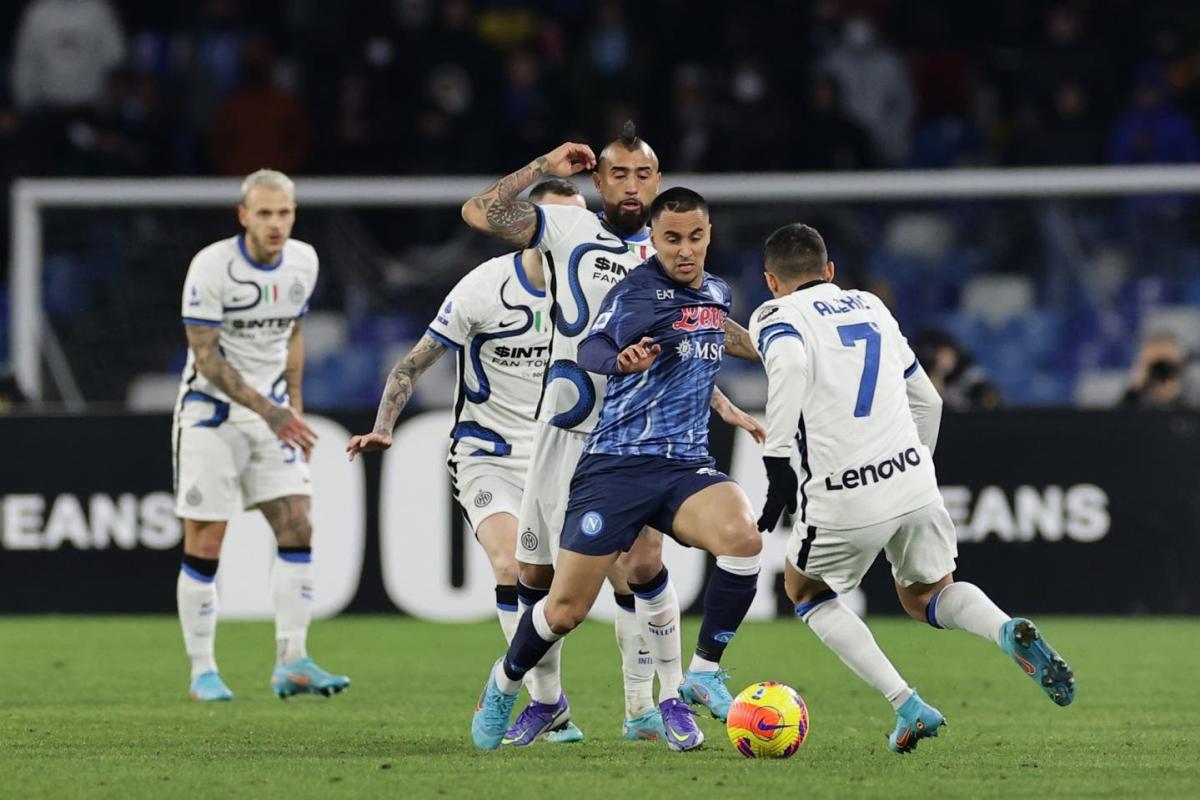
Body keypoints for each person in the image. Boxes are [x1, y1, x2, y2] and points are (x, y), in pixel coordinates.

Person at [460, 126, 764, 745]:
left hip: (643, 439)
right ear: (597, 181)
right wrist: (545, 164)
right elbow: (478, 211)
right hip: (567, 429)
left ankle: (655, 703)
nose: (631, 186)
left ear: (658, 181)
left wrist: (769, 358)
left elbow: (703, 329)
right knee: (540, 582)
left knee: (645, 566)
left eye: (642, 175)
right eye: (618, 174)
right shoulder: (568, 227)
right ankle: (544, 701)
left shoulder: (671, 245)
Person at [748, 223, 1075, 753]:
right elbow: (930, 401)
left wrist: (776, 458)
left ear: (770, 281)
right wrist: (913, 466)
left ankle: (907, 704)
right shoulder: (871, 306)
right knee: (928, 594)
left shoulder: (774, 314)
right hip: (912, 478)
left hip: (843, 492)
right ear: (829, 271)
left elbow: (785, 364)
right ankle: (1002, 627)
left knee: (806, 593)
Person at [347, 179, 591, 743]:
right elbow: (409, 366)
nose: (571, 235)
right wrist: (384, 427)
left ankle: (647, 705)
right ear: (530, 227)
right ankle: (548, 703)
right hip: (489, 455)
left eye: (580, 223)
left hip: (562, 456)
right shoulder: (484, 288)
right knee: (511, 566)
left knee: (597, 579)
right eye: (559, 222)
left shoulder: (596, 290)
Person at [173, 169, 348, 702]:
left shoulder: (304, 261)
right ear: (243, 216)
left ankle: (292, 661)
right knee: (207, 539)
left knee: (297, 524)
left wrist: (293, 405)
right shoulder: (211, 266)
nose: (276, 223)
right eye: (265, 213)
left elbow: (293, 334)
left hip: (273, 415)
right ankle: (203, 671)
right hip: (211, 415)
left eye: (284, 213)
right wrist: (271, 412)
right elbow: (206, 358)